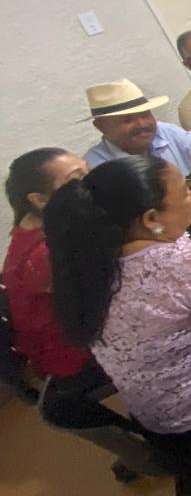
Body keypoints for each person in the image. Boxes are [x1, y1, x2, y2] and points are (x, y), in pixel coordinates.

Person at [43, 155, 191, 468]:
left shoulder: (89, 267)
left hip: (163, 433)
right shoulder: (181, 266)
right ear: (150, 218)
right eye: (185, 191)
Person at [2, 148, 100, 384]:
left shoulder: (48, 225)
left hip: (82, 332)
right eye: (76, 179)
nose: (92, 183)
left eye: (88, 171)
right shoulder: (43, 254)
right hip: (73, 359)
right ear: (39, 199)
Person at [82, 78, 191, 174]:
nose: (141, 124)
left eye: (145, 114)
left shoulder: (166, 132)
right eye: (127, 120)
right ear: (100, 126)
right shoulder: (94, 167)